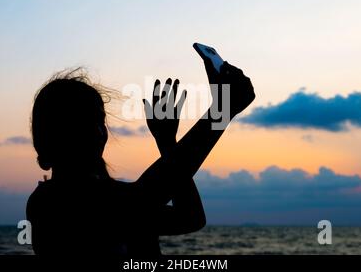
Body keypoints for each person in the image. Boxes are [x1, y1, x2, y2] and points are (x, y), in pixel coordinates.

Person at [26, 58, 255, 255]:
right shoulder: (49, 204)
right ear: (54, 137)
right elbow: (145, 198)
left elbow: (189, 217)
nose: (97, 131)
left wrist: (167, 142)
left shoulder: (110, 198)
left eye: (99, 120)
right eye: (81, 123)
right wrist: (222, 111)